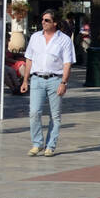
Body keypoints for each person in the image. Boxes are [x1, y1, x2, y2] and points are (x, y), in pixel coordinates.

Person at [20, 10, 75, 156]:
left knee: (55, 115)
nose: (43, 23)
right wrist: (25, 80)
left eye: (47, 20)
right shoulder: (35, 37)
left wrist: (64, 82)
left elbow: (67, 63)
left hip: (55, 79)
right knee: (34, 112)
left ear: (55, 23)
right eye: (42, 20)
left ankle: (50, 145)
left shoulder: (64, 40)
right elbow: (29, 59)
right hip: (37, 79)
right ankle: (37, 143)